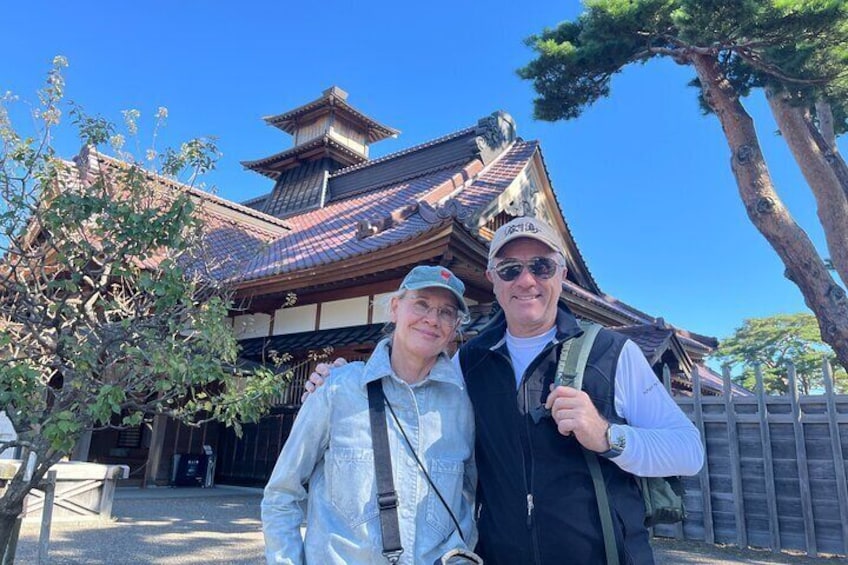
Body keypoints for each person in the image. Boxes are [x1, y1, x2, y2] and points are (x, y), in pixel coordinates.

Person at [306, 216, 705, 564]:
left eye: (541, 266)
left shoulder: (612, 353)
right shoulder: (469, 361)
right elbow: (410, 402)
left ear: (562, 275)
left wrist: (607, 435)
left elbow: (689, 452)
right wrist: (348, 382)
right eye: (510, 269)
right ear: (493, 280)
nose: (526, 280)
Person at [261, 265, 478, 565]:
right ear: (395, 307)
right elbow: (281, 494)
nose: (432, 319)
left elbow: (469, 502)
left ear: (455, 327)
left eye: (446, 312)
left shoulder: (462, 406)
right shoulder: (337, 390)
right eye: (421, 304)